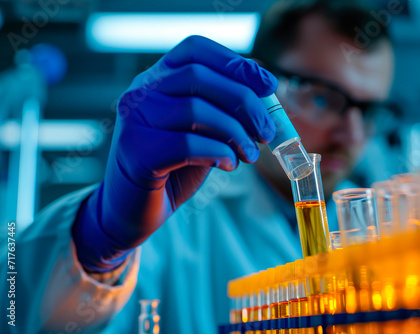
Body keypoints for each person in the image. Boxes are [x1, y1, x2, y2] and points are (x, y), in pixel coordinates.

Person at [1, 0, 394, 333]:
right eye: (325, 99)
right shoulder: (178, 215)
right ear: (262, 88)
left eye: (368, 109)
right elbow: (15, 311)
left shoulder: (388, 225)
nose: (352, 134)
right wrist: (100, 241)